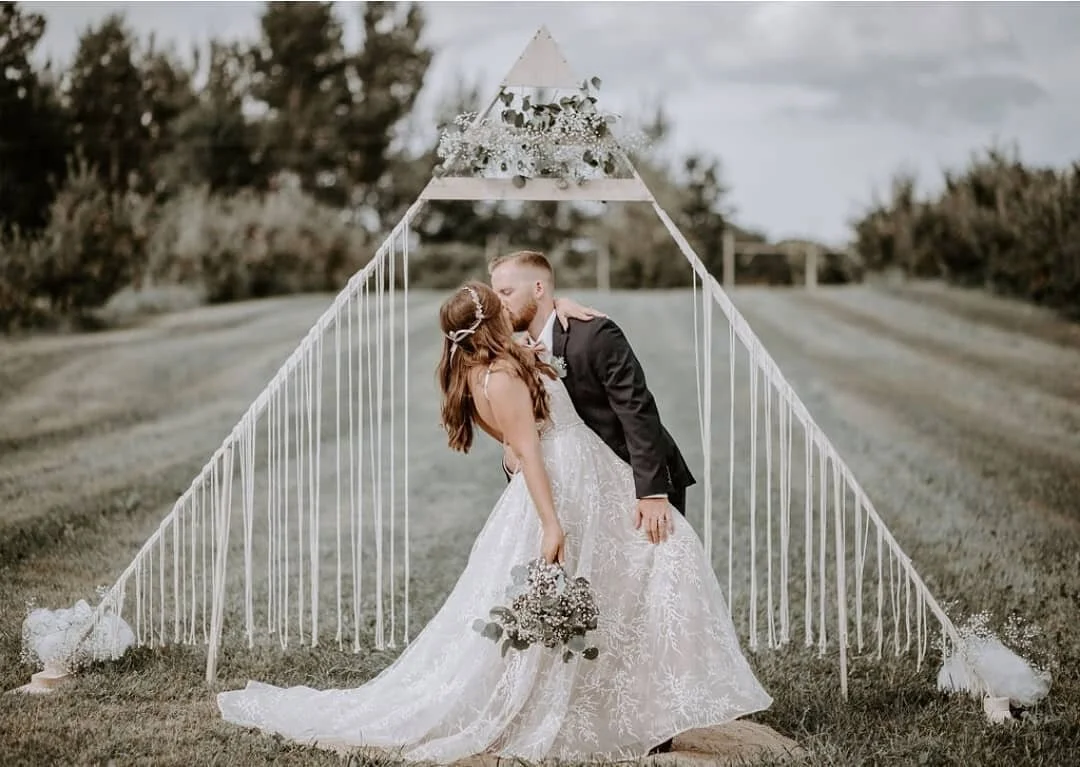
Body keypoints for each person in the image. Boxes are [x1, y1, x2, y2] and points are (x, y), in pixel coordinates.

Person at [217, 281, 772, 763]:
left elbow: (528, 408)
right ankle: (582, 706)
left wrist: (558, 313)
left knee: (647, 568)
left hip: (587, 477)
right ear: (488, 319)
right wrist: (552, 525)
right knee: (642, 564)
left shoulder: (494, 366)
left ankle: (637, 702)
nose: (509, 307)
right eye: (498, 302)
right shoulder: (500, 375)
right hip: (562, 487)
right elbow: (529, 452)